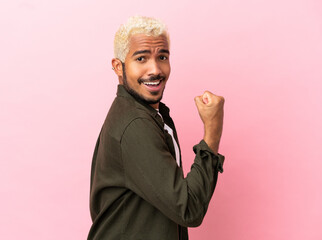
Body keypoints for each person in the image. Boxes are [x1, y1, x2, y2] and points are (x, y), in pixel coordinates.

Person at [88, 15, 225, 240]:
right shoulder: (135, 124)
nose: (155, 70)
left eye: (162, 57)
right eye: (141, 58)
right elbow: (188, 208)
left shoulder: (149, 114)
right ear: (118, 67)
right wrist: (213, 130)